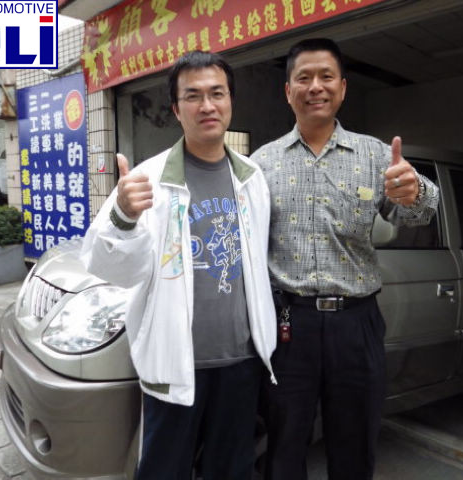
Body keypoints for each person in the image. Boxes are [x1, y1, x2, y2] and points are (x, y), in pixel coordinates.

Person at [80, 51, 277, 480]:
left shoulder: (252, 178)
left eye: (217, 93)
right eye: (193, 96)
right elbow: (107, 265)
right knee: (163, 469)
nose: (207, 105)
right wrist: (123, 217)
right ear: (175, 109)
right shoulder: (147, 179)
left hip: (242, 361)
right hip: (175, 363)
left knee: (233, 469)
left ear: (230, 101)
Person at [250, 38, 439, 479]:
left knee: (354, 445)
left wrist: (415, 191)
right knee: (283, 445)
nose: (315, 87)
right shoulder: (262, 164)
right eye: (304, 78)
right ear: (288, 91)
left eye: (326, 76)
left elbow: (421, 210)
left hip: (356, 324)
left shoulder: (376, 155)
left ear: (343, 87)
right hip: (288, 326)